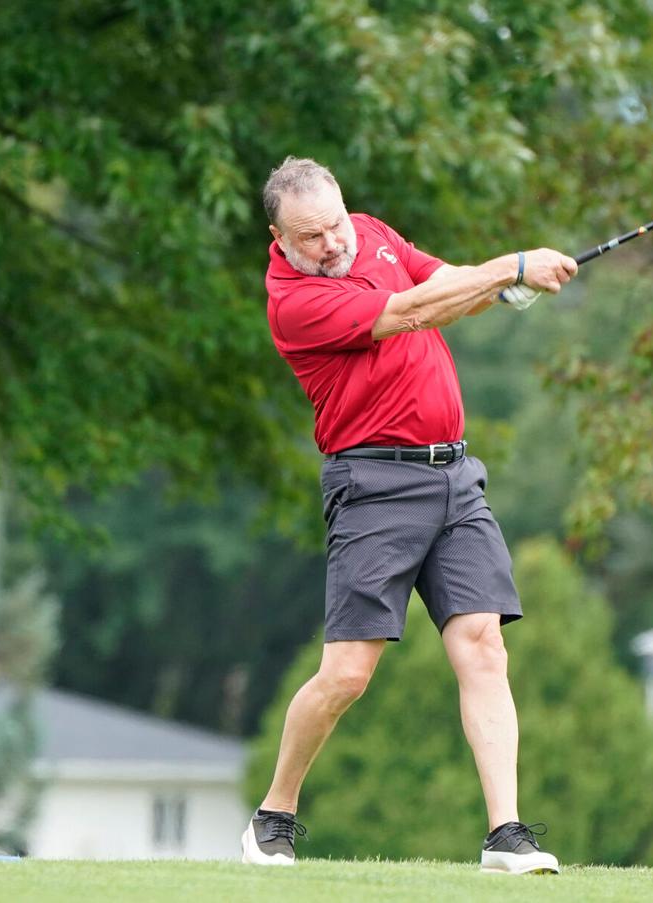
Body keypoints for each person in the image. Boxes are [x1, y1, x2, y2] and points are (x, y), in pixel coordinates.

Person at [241, 157, 577, 875]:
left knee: (483, 642)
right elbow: (414, 311)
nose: (333, 244)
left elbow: (442, 281)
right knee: (347, 675)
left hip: (455, 475)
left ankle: (506, 833)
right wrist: (512, 263)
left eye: (334, 225)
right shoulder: (292, 302)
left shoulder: (372, 234)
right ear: (279, 237)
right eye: (312, 237)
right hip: (373, 487)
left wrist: (507, 287)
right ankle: (274, 812)